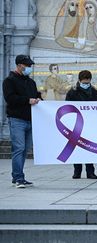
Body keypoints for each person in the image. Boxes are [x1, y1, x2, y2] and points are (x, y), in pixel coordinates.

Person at [3, 54, 41, 188]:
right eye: (27, 66)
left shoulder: (31, 82)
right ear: (19, 65)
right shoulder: (9, 80)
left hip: (30, 119)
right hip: (17, 119)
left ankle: (19, 176)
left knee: (25, 150)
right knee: (19, 148)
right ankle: (18, 178)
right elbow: (10, 98)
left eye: (30, 66)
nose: (29, 68)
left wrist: (39, 99)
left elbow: (36, 95)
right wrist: (27, 100)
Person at [65, 70, 97, 179]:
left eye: (88, 82)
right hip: (76, 124)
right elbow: (67, 106)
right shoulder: (72, 92)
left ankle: (90, 171)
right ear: (79, 81)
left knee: (89, 147)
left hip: (90, 124)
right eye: (84, 83)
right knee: (77, 148)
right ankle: (77, 170)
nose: (86, 84)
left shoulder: (94, 92)